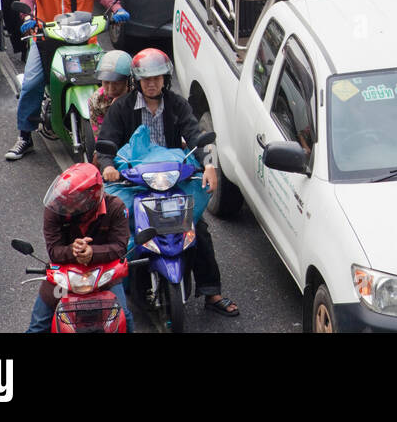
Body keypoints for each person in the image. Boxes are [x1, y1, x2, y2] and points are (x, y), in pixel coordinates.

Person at [97, 48, 239, 317]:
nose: (152, 83)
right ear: (137, 81)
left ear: (165, 79)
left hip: (171, 182)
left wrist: (209, 166)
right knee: (120, 230)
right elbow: (107, 146)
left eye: (157, 78)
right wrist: (107, 167)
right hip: (136, 184)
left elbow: (195, 136)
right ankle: (111, 291)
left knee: (198, 230)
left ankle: (212, 293)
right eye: (146, 79)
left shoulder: (177, 104)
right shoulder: (122, 108)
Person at [7, 0, 127, 160]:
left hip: (83, 37)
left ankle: (118, 133)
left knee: (112, 80)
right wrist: (28, 17)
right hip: (46, 36)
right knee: (31, 84)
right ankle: (25, 136)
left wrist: (116, 8)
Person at [26, 163, 134, 333]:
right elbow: (54, 250)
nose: (65, 206)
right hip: (64, 275)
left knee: (124, 318)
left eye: (71, 202)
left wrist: (92, 253)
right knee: (38, 326)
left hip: (105, 275)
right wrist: (73, 251)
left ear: (91, 198)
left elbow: (120, 247)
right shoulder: (55, 209)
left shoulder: (116, 208)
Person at [89, 50, 133, 142]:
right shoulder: (96, 100)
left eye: (116, 83)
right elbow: (99, 134)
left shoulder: (139, 94)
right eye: (106, 82)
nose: (110, 88)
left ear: (127, 81)